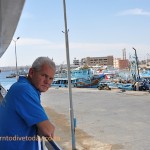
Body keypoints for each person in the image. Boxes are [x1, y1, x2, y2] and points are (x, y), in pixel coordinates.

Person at [0, 57, 56, 150]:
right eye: (44, 76)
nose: (47, 82)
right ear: (31, 72)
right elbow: (48, 130)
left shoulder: (20, 85)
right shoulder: (24, 90)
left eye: (50, 78)